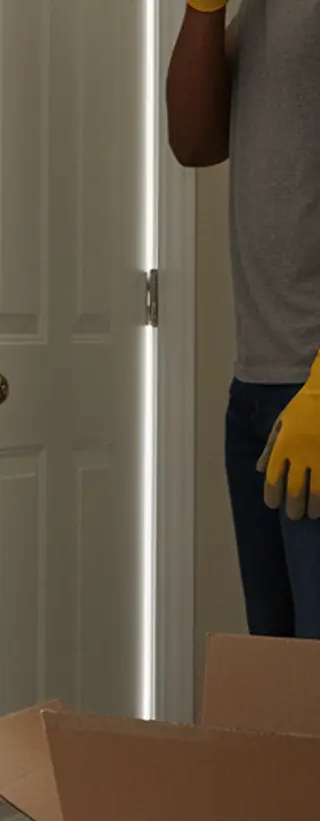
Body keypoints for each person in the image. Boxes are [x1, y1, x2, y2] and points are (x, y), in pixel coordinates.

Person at [168, 0, 320, 638]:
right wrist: (204, 9)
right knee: (278, 673)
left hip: (313, 388)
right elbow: (195, 141)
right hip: (258, 394)